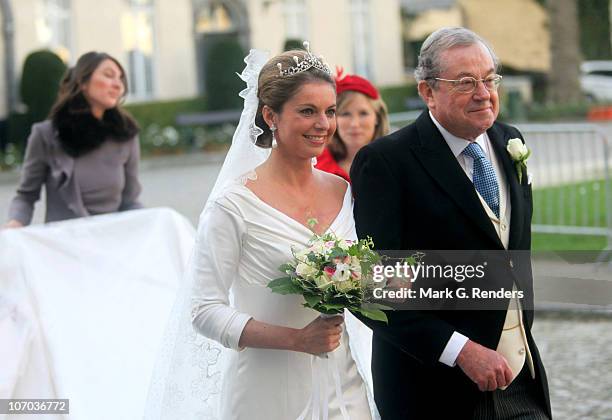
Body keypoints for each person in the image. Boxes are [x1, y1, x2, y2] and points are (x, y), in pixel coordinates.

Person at [145, 46, 377, 420]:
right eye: (307, 111)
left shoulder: (342, 190)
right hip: (268, 393)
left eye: (329, 111)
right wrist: (298, 340)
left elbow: (367, 279)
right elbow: (204, 310)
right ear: (270, 115)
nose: (324, 124)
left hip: (344, 388)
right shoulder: (233, 204)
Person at [350, 27, 551, 419]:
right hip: (433, 391)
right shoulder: (387, 162)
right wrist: (460, 350)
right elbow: (371, 288)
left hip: (518, 380)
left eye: (490, 78)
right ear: (427, 92)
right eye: (465, 82)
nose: (483, 92)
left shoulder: (510, 141)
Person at [3, 51, 142, 228]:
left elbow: (130, 202)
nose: (118, 85)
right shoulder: (46, 135)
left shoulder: (126, 134)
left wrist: (150, 221)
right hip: (64, 244)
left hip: (111, 242)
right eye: (108, 75)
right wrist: (15, 223)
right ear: (83, 82)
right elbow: (26, 195)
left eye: (121, 78)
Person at [315, 70, 389, 182]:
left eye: (363, 113)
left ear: (377, 117)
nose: (354, 124)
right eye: (345, 114)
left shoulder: (394, 162)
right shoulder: (315, 165)